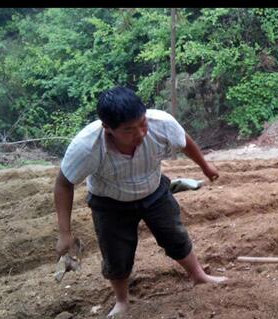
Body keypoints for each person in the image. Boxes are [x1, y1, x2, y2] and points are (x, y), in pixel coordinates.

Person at [54, 87, 227, 318]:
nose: (141, 132)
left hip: (154, 191)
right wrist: (64, 233)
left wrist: (205, 166)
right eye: (129, 129)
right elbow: (64, 183)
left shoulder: (162, 123)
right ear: (108, 129)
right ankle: (122, 302)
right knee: (116, 254)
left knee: (174, 234)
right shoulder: (87, 147)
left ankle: (199, 277)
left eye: (142, 123)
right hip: (110, 202)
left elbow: (184, 141)